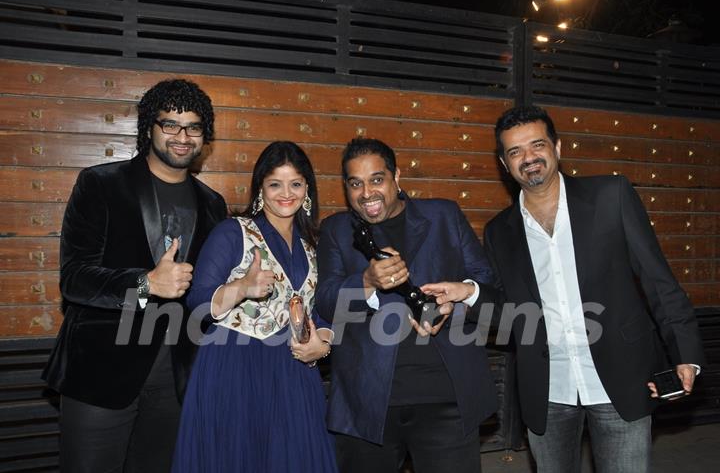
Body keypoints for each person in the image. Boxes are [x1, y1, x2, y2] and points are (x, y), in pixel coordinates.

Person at [484, 105, 706, 473]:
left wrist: (685, 352)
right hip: (547, 389)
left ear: (557, 147)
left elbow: (658, 281)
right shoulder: (498, 231)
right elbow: (509, 312)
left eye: (537, 145)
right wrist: (467, 296)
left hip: (621, 377)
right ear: (505, 164)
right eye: (515, 151)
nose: (529, 158)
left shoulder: (611, 194)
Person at [42, 79, 228, 472]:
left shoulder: (213, 205)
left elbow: (209, 293)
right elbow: (75, 278)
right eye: (170, 124)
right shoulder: (100, 184)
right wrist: (146, 283)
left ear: (204, 137)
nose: (182, 136)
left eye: (193, 127)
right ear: (149, 127)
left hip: (176, 378)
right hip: (101, 374)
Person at [316, 138, 498, 473]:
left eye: (377, 179)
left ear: (396, 176)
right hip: (367, 404)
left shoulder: (444, 214)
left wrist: (453, 305)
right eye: (355, 183)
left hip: (446, 399)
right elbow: (326, 301)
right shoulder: (335, 230)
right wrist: (366, 281)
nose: (367, 193)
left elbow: (485, 283)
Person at [171, 141, 337, 473]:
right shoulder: (233, 232)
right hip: (235, 367)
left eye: (295, 183)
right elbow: (198, 301)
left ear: (308, 189)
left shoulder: (314, 245)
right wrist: (241, 288)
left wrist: (324, 342)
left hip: (293, 374)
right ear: (261, 187)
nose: (285, 193)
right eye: (275, 183)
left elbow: (320, 311)